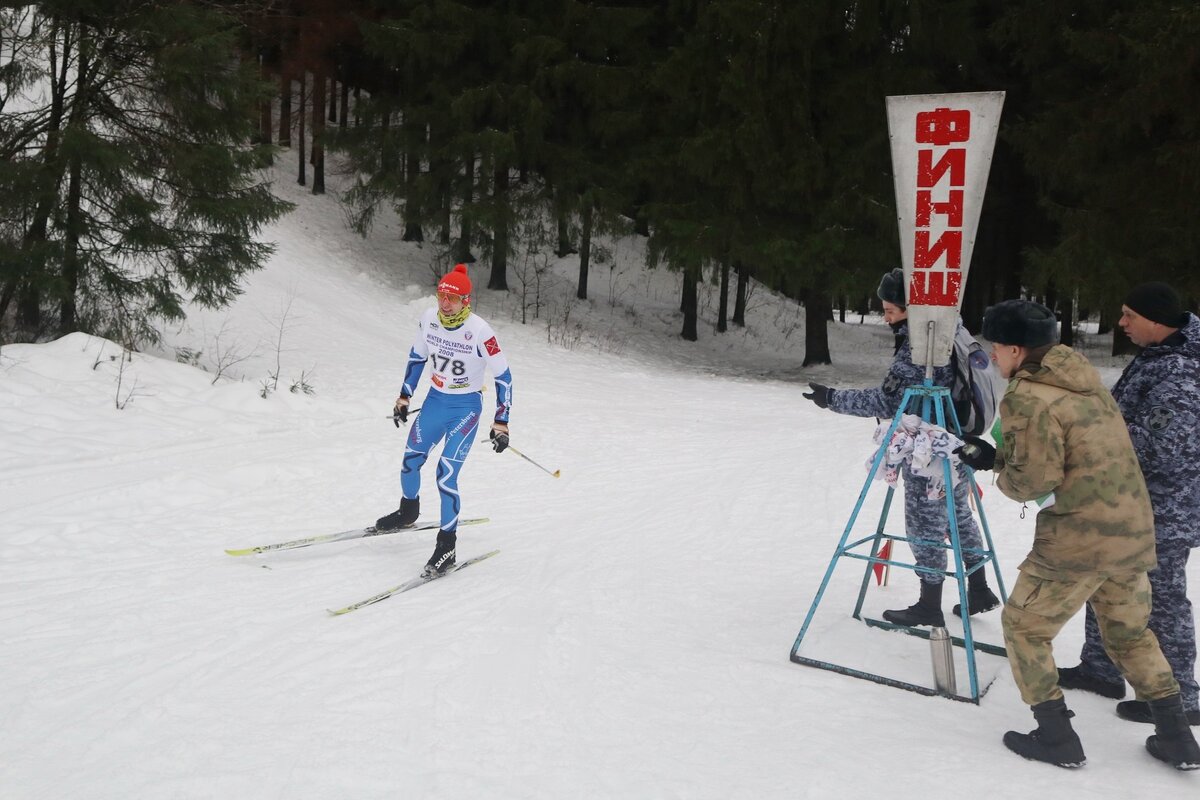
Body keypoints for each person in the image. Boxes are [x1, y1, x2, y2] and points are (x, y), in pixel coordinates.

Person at [957, 299, 1199, 770]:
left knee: (1025, 628)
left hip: (1078, 537)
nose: (992, 359)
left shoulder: (1028, 396)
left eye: (993, 350)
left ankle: (1056, 737)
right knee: (1129, 633)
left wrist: (993, 463)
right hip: (1129, 529)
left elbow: (1032, 481)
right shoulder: (1087, 385)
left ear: (1013, 349)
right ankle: (1176, 736)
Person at [803, 268, 999, 627]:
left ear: (912, 309)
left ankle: (929, 604)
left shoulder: (920, 350)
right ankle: (979, 587)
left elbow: (889, 402)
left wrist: (833, 398)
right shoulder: (950, 329)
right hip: (956, 443)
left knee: (924, 525)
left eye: (891, 310)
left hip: (927, 450)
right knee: (958, 516)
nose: (886, 317)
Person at [1056, 282, 1200, 726]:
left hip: (1164, 508)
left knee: (1160, 595)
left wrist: (1091, 427)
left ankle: (1181, 694)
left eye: (1128, 316)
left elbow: (1163, 447)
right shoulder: (1158, 356)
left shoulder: (1179, 371)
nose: (1121, 324)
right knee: (1106, 581)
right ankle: (1101, 670)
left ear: (1156, 320)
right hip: (1126, 499)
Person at [375, 264, 513, 577]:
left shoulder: (480, 331)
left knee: (445, 475)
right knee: (411, 460)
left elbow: (503, 376)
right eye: (441, 295)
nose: (444, 303)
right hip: (435, 402)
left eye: (452, 298)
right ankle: (408, 511)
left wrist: (501, 420)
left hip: (465, 408)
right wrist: (404, 397)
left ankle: (446, 546)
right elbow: (417, 357)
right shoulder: (428, 320)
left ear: (466, 301)